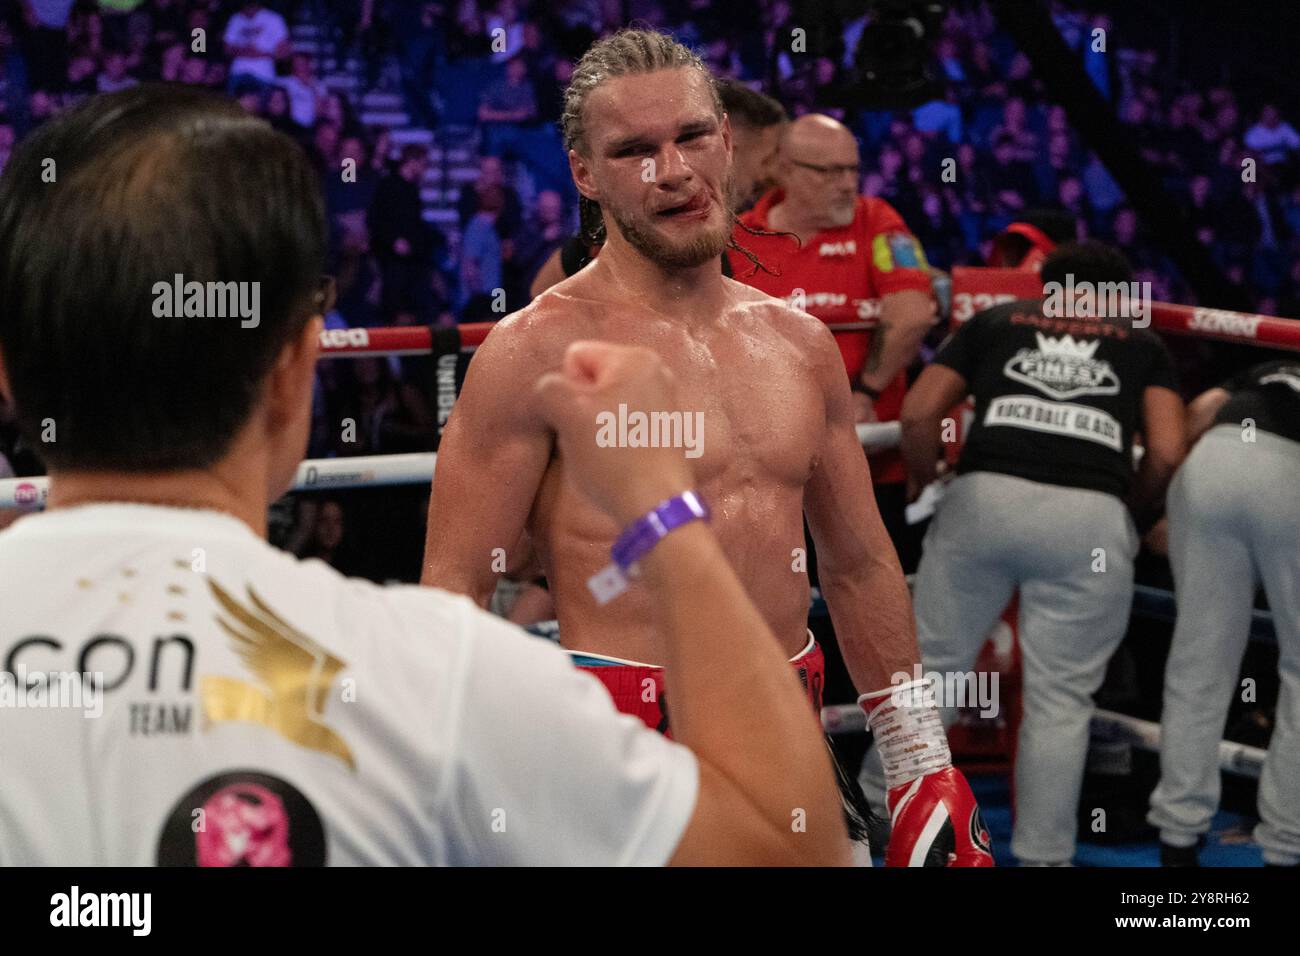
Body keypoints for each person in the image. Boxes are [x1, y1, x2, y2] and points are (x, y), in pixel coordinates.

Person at [0, 84, 846, 867]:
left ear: (10, 373)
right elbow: (787, 846)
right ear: (298, 366)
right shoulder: (423, 673)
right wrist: (660, 512)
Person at [422, 29, 991, 867]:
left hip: (792, 758)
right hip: (616, 774)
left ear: (729, 140)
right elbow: (457, 579)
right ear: (585, 173)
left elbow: (860, 563)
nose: (674, 171)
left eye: (691, 136)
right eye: (634, 150)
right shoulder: (532, 352)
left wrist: (915, 759)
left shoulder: (800, 346)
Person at [880, 241, 1186, 865]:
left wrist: (925, 477)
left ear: (1045, 286)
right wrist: (1127, 512)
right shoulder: (1143, 344)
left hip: (984, 501)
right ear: (1118, 299)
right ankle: (1044, 855)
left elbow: (917, 413)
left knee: (933, 668)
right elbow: (1168, 452)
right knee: (1060, 700)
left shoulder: (998, 320)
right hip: (1088, 517)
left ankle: (886, 823)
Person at [727, 113, 937, 573]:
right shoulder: (736, 239)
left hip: (873, 471)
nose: (846, 184)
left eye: (852, 170)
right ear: (783, 168)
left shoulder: (876, 220)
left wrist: (865, 394)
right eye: (829, 172)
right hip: (772, 477)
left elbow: (912, 313)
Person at [1148, 357, 1300, 867]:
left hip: (1214, 459)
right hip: (1289, 471)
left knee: (1199, 661)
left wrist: (1164, 505)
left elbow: (1199, 412)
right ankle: (1286, 847)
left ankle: (1177, 838)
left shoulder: (1273, 361)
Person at [526, 76, 786, 298]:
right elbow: (543, 294)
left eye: (691, 138)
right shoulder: (620, 232)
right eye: (769, 158)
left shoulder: (762, 227)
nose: (774, 174)